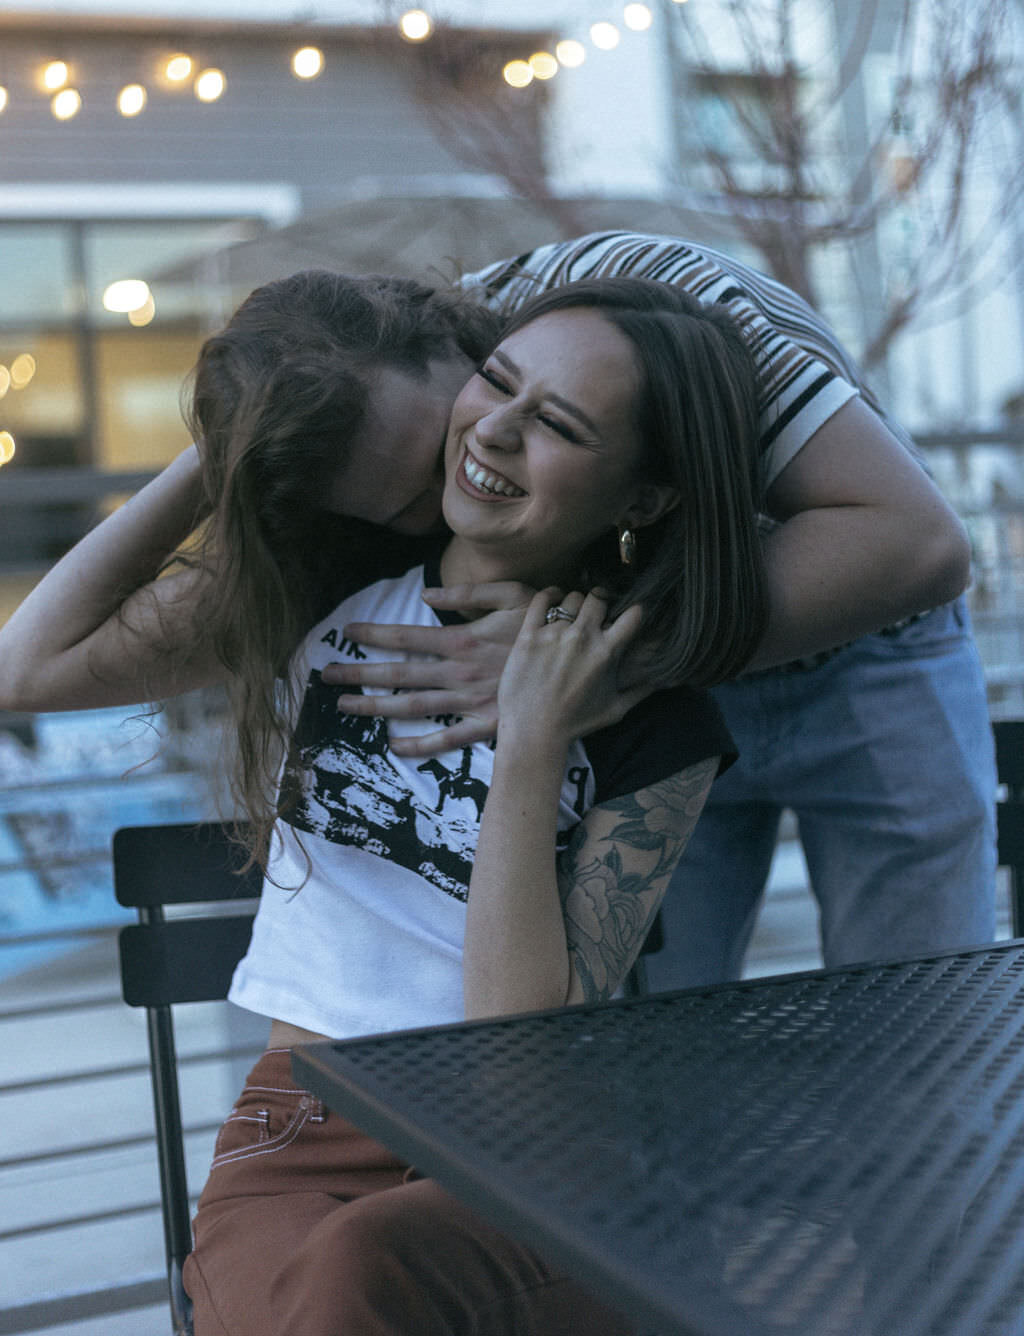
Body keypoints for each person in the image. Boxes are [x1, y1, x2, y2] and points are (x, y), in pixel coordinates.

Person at [187, 275, 763, 1334]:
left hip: (526, 1141)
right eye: (496, 382)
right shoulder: (327, 588)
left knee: (355, 1272)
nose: (495, 429)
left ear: (642, 498)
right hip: (304, 1121)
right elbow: (28, 659)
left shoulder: (656, 722)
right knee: (325, 1288)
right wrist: (231, 437)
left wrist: (535, 741)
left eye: (556, 423)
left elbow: (518, 1047)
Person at [333, 231, 998, 984]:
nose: (481, 438)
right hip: (671, 679)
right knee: (663, 1039)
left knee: (926, 1015)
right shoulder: (469, 365)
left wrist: (595, 658)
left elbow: (923, 543)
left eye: (556, 423)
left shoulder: (715, 331)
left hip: (871, 650)